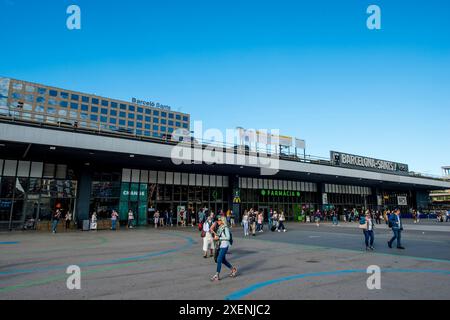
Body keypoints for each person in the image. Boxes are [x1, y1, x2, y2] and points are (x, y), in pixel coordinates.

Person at [210, 217, 237, 281]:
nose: (218, 221)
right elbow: (219, 236)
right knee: (223, 260)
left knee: (219, 259)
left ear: (222, 221)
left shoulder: (225, 228)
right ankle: (233, 270)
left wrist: (219, 238)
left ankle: (217, 275)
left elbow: (228, 237)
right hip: (221, 245)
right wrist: (215, 236)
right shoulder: (220, 228)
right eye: (217, 220)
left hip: (225, 245)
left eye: (219, 220)